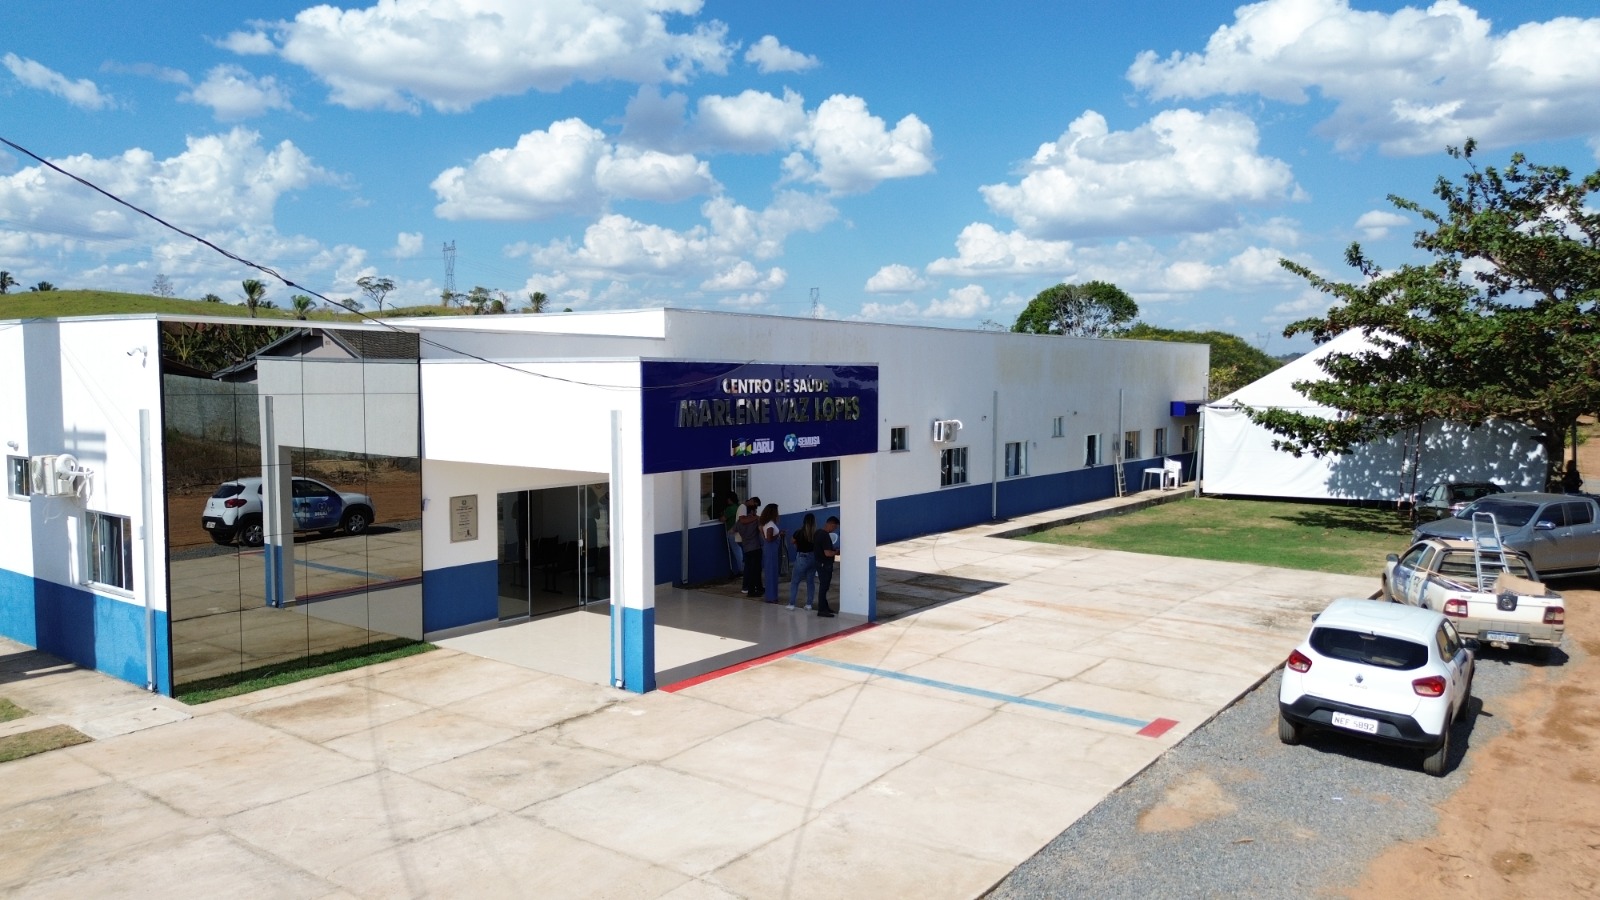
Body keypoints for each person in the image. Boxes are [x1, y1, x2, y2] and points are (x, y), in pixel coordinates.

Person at [787, 513, 817, 611]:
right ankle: (809, 604)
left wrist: (797, 545)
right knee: (810, 582)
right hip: (813, 558)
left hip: (802, 557)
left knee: (795, 582)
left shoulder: (799, 532)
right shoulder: (815, 533)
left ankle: (792, 604)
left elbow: (792, 541)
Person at [737, 497, 763, 596]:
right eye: (755, 506)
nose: (755, 508)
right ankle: (747, 587)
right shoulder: (743, 507)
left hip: (748, 541)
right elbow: (743, 521)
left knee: (752, 565)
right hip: (746, 541)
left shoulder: (746, 510)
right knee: (750, 565)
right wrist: (756, 518)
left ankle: (754, 586)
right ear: (751, 501)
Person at [815, 515, 838, 617]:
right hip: (825, 564)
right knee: (824, 587)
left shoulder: (818, 533)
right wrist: (836, 552)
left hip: (819, 563)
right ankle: (821, 609)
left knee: (824, 586)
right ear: (831, 524)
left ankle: (825, 607)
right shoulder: (825, 536)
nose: (834, 529)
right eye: (835, 527)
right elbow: (827, 553)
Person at [759, 502, 783, 603]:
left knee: (770, 572)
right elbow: (769, 539)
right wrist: (779, 534)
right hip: (771, 550)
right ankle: (772, 597)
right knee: (772, 573)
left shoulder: (766, 524)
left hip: (770, 549)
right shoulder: (770, 525)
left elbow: (764, 536)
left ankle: (770, 596)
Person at [721, 492, 743, 578]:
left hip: (732, 532)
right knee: (740, 550)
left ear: (730, 499)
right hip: (740, 531)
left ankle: (741, 569)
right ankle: (743, 568)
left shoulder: (730, 509)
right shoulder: (739, 507)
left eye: (728, 499)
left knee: (737, 550)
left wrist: (721, 515)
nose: (727, 500)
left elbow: (723, 519)